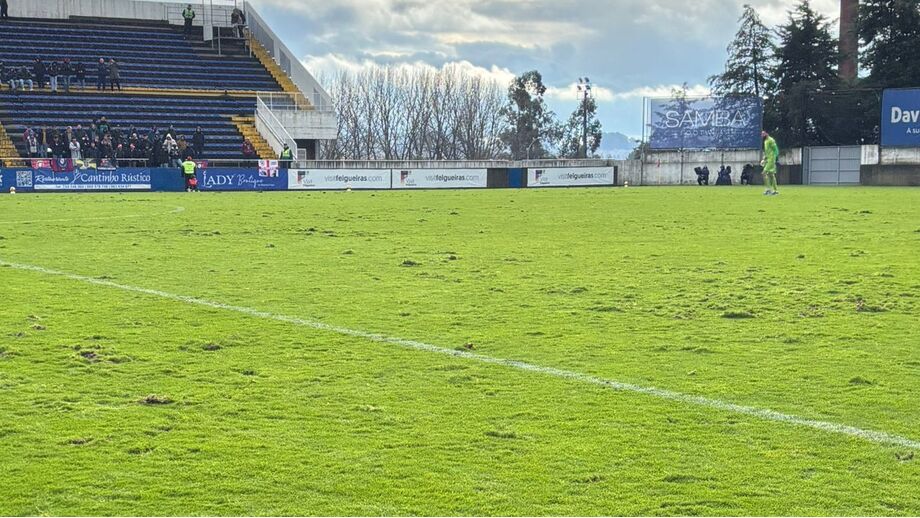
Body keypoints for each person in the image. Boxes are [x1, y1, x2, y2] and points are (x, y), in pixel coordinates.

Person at [761, 130, 780, 196]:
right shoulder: (765, 141)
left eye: (763, 133)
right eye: (761, 134)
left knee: (764, 173)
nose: (762, 135)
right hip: (768, 159)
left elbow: (776, 149)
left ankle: (768, 190)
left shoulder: (771, 140)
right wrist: (764, 159)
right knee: (771, 175)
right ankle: (775, 190)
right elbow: (767, 151)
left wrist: (775, 158)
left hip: (771, 160)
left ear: (767, 133)